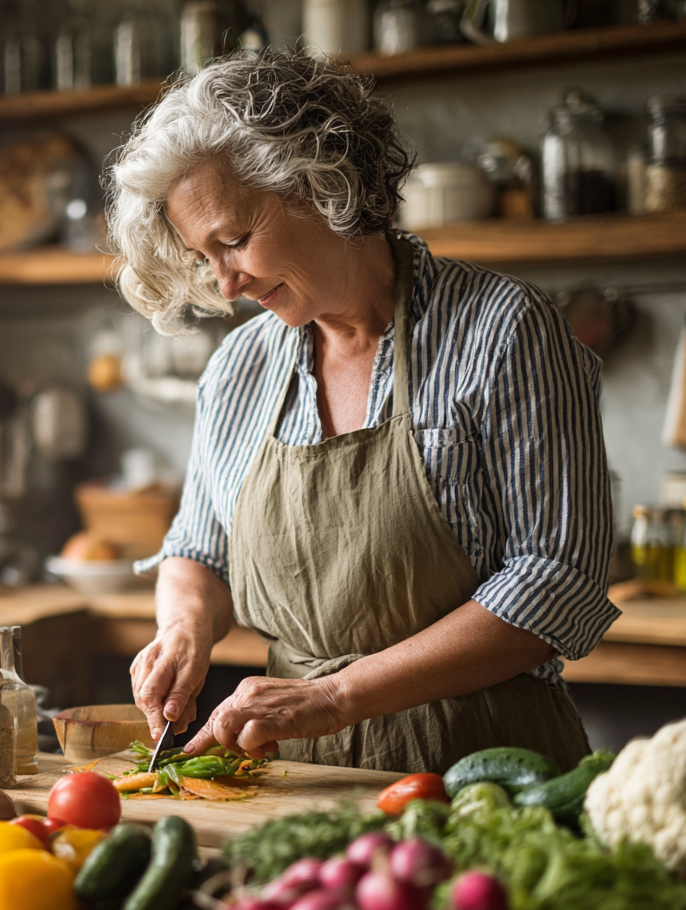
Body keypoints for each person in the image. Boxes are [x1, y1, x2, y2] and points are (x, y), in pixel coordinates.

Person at [106, 50, 618, 773]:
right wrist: (186, 626)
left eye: (235, 240)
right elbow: (199, 549)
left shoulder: (505, 331)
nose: (225, 284)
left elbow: (554, 582)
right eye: (203, 257)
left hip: (482, 773)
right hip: (297, 776)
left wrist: (339, 695)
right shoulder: (239, 367)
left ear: (320, 183)